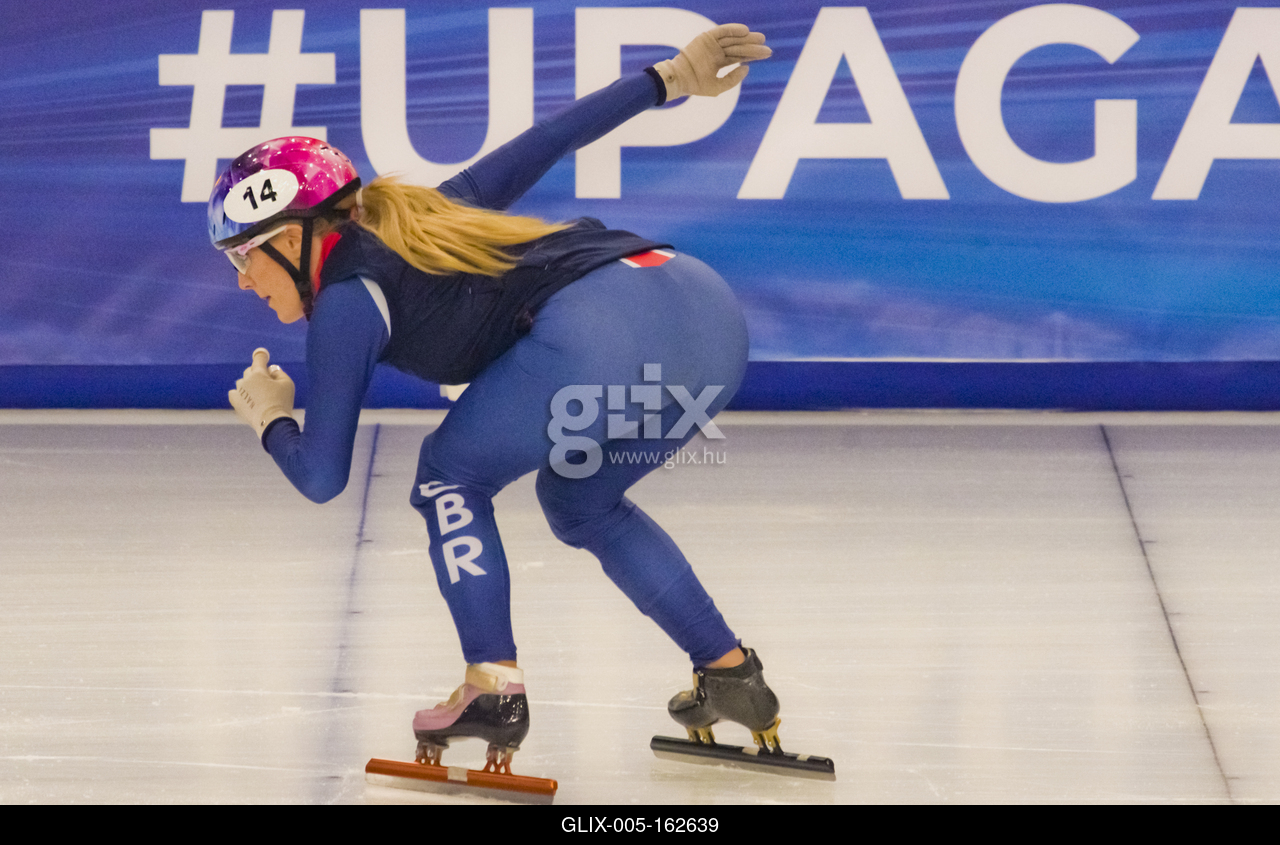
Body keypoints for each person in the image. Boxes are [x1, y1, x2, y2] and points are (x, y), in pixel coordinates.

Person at [212, 24, 783, 775]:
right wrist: (670, 78)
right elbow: (548, 139)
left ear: (294, 238)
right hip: (705, 316)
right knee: (580, 501)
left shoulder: (348, 299)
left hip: (600, 328)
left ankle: (492, 685)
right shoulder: (430, 210)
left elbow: (322, 476)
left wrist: (271, 418)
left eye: (243, 254)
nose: (241, 280)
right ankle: (731, 674)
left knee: (447, 475)